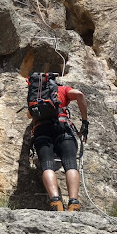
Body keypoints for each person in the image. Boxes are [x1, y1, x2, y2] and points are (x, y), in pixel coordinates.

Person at [28, 83, 88, 212]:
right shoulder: (62, 89)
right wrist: (85, 122)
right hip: (63, 127)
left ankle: (55, 202)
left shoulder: (34, 96)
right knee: (70, 163)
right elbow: (79, 95)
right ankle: (73, 203)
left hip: (41, 129)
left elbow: (30, 114)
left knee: (47, 165)